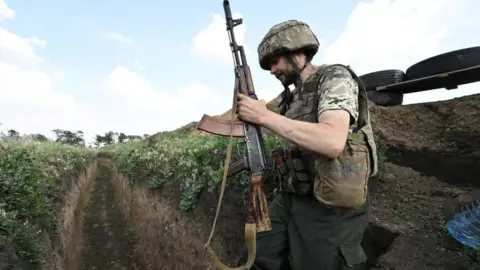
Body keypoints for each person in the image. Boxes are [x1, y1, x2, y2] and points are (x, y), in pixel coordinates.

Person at [236, 20, 379, 270]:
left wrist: (264, 117)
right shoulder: (291, 98)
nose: (272, 70)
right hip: (295, 194)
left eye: (275, 61)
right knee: (259, 253)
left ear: (296, 52)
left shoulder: (334, 77)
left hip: (330, 206)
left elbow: (332, 141)